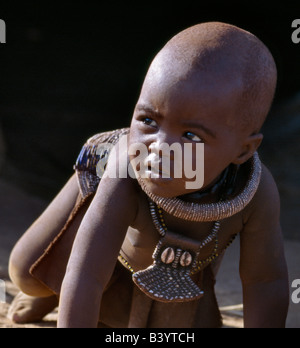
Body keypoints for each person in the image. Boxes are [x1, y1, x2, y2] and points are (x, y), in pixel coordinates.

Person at [8, 21, 289, 328]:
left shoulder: (254, 192)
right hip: (99, 235)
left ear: (243, 151)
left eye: (192, 136)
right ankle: (51, 290)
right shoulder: (126, 170)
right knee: (29, 271)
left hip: (163, 269)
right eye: (149, 121)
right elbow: (86, 271)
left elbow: (265, 281)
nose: (160, 147)